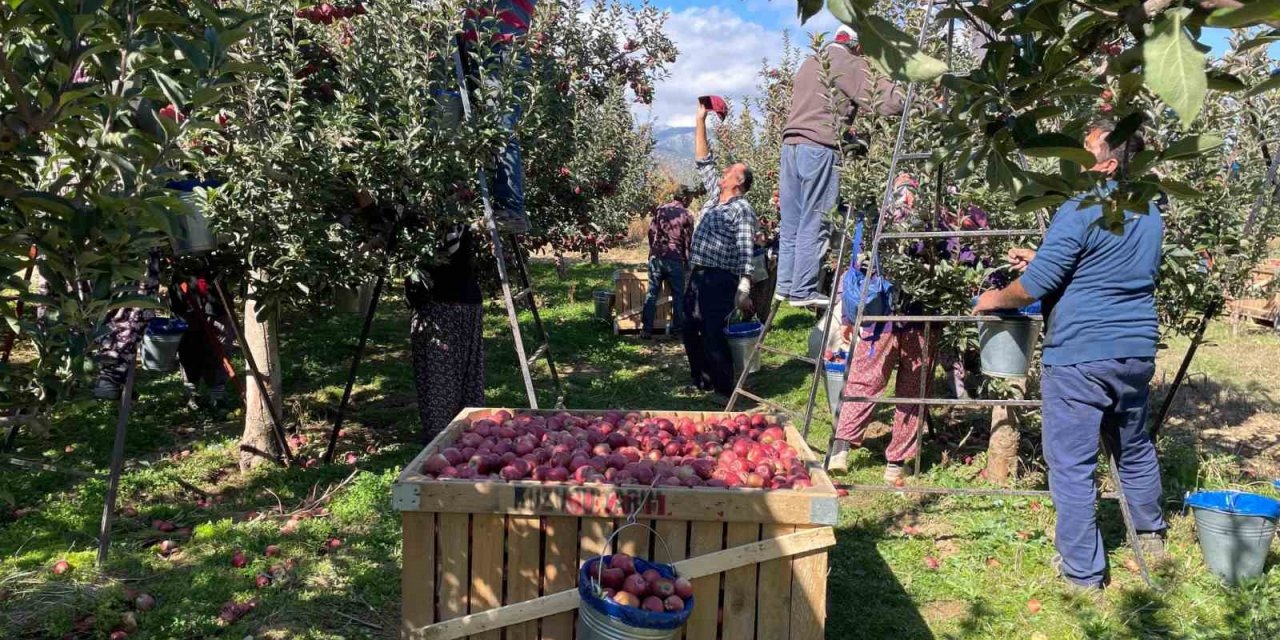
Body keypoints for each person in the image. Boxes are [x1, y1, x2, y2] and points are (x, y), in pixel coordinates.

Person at [974, 119, 1166, 590]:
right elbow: (1104, 264)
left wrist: (994, 299)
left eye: (1086, 152)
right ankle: (1152, 535)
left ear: (1107, 162)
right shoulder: (1149, 211)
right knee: (1133, 443)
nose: (1077, 162)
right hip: (1136, 348)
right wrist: (1042, 256)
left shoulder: (1082, 208)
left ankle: (1083, 573)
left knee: (1072, 463)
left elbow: (1036, 288)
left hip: (1080, 353)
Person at [777, 24, 903, 307]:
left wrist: (849, 135)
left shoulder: (811, 62)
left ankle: (785, 284)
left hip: (791, 147)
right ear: (857, 45)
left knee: (792, 221)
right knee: (816, 218)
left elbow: (818, 108)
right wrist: (922, 103)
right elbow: (881, 99)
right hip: (819, 148)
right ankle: (804, 290)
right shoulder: (850, 62)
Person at [827, 175, 933, 482]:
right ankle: (849, 447)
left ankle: (890, 458)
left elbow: (855, 269)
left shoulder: (927, 223)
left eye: (909, 188)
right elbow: (856, 268)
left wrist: (850, 315)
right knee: (873, 380)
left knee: (907, 387)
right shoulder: (881, 222)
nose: (905, 197)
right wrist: (849, 315)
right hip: (890, 315)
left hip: (908, 315)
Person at [683, 99, 757, 398]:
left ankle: (724, 389)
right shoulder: (716, 197)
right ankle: (701, 380)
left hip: (720, 278)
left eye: (730, 171)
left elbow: (745, 249)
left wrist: (744, 285)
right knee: (689, 326)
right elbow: (704, 161)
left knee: (713, 331)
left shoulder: (743, 209)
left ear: (738, 183)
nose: (723, 172)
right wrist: (701, 119)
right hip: (698, 274)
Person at [405, 223, 486, 440]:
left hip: (441, 304)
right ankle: (473, 436)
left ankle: (442, 440)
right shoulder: (455, 207)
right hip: (466, 299)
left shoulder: (439, 212)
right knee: (467, 374)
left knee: (438, 377)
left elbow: (448, 246)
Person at [462, 0, 536, 233]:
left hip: (501, 47)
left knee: (502, 129)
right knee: (481, 131)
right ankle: (493, 205)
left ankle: (511, 210)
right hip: (481, 46)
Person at [641, 186, 695, 338]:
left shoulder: (660, 210)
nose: (690, 201)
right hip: (675, 259)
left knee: (652, 293)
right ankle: (677, 331)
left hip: (657, 257)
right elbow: (688, 241)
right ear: (684, 198)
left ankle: (646, 330)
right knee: (678, 296)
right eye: (690, 198)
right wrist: (687, 261)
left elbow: (651, 231)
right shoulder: (686, 215)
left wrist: (653, 250)